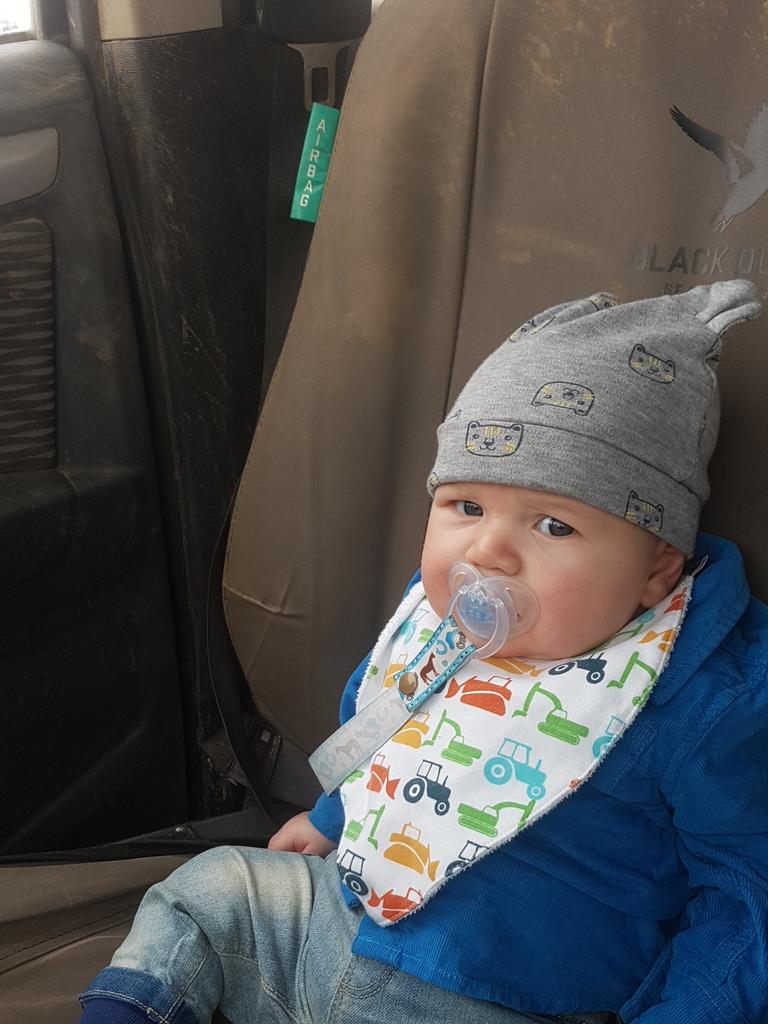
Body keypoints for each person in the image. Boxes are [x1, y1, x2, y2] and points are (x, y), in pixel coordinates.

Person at [79, 280, 768, 1024]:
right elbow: (379, 729)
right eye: (466, 507)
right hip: (344, 923)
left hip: (507, 994)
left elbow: (744, 891)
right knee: (207, 892)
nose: (489, 551)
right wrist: (335, 816)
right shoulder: (446, 621)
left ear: (656, 569)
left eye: (554, 526)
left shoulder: (699, 697)